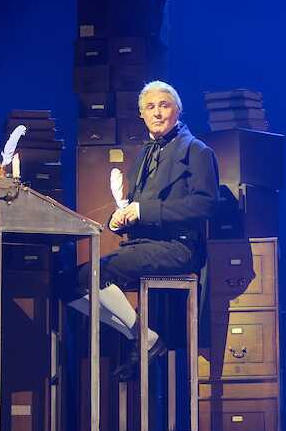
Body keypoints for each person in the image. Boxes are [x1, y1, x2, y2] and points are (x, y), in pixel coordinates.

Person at [70, 80, 219, 375]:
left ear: (177, 110)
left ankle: (145, 340)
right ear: (141, 114)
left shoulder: (197, 151)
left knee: (93, 276)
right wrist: (118, 219)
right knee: (68, 283)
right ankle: (143, 337)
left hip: (179, 247)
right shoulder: (143, 155)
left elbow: (206, 205)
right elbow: (135, 206)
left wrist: (143, 211)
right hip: (144, 245)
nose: (157, 113)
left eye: (164, 105)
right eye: (150, 107)